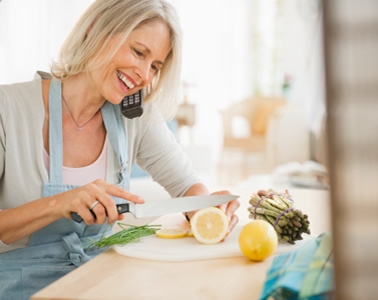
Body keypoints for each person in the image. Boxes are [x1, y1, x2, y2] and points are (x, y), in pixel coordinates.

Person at [0, 0, 240, 298]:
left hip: (101, 282)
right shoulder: (6, 108)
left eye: (155, 66)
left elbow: (186, 187)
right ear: (96, 28)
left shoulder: (136, 117)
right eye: (138, 52)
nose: (145, 75)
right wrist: (57, 204)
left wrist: (207, 209)